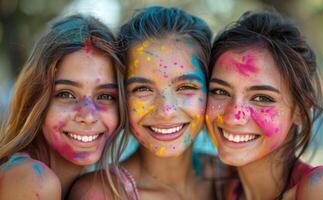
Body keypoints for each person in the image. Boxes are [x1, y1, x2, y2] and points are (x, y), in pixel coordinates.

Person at [69, 6, 215, 200]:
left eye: (185, 87)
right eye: (142, 89)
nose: (166, 111)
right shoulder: (101, 194)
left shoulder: (230, 178)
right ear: (122, 97)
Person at [205, 10, 323, 200]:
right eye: (220, 92)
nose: (233, 117)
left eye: (262, 98)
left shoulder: (319, 187)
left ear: (300, 109)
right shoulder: (223, 189)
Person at [0, 14, 128, 199]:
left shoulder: (98, 187)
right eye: (66, 94)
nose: (88, 116)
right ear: (36, 99)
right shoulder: (34, 181)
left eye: (105, 96)